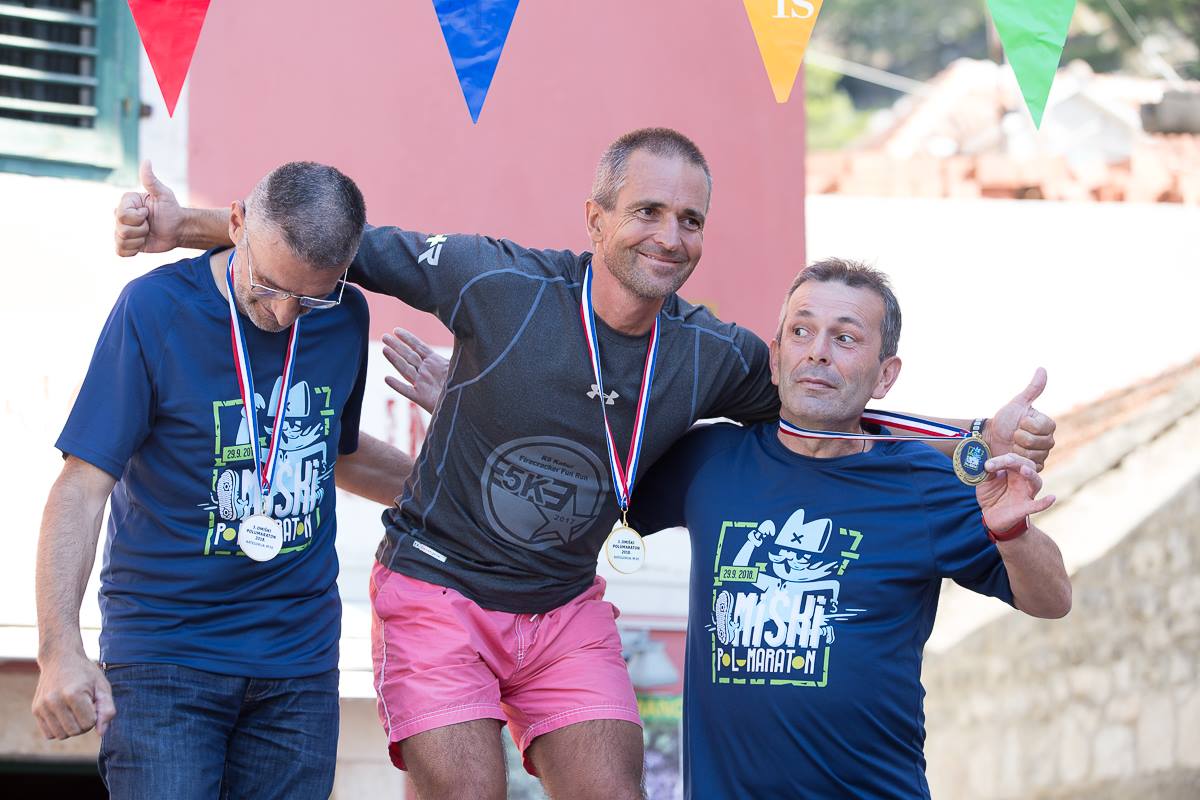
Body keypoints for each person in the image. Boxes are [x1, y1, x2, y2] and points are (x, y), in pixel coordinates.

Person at [113, 128, 1057, 800]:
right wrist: (182, 225)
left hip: (562, 607)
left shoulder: (714, 354)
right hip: (438, 588)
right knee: (467, 790)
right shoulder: (497, 281)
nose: (669, 236)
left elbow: (833, 400)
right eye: (646, 210)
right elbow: (337, 247)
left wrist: (978, 433)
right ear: (595, 217)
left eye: (690, 219)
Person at [625, 258, 1072, 799]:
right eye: (801, 331)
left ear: (885, 375)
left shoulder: (921, 482)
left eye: (845, 338)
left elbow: (1053, 599)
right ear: (775, 357)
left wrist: (1013, 533)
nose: (817, 351)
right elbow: (596, 499)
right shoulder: (709, 461)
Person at [35, 162, 413, 800]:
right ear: (236, 223)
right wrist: (58, 648)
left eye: (309, 298)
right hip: (167, 656)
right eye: (269, 286)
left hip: (299, 664)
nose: (284, 313)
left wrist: (468, 490)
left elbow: (334, 451)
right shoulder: (155, 310)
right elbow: (82, 485)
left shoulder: (345, 315)